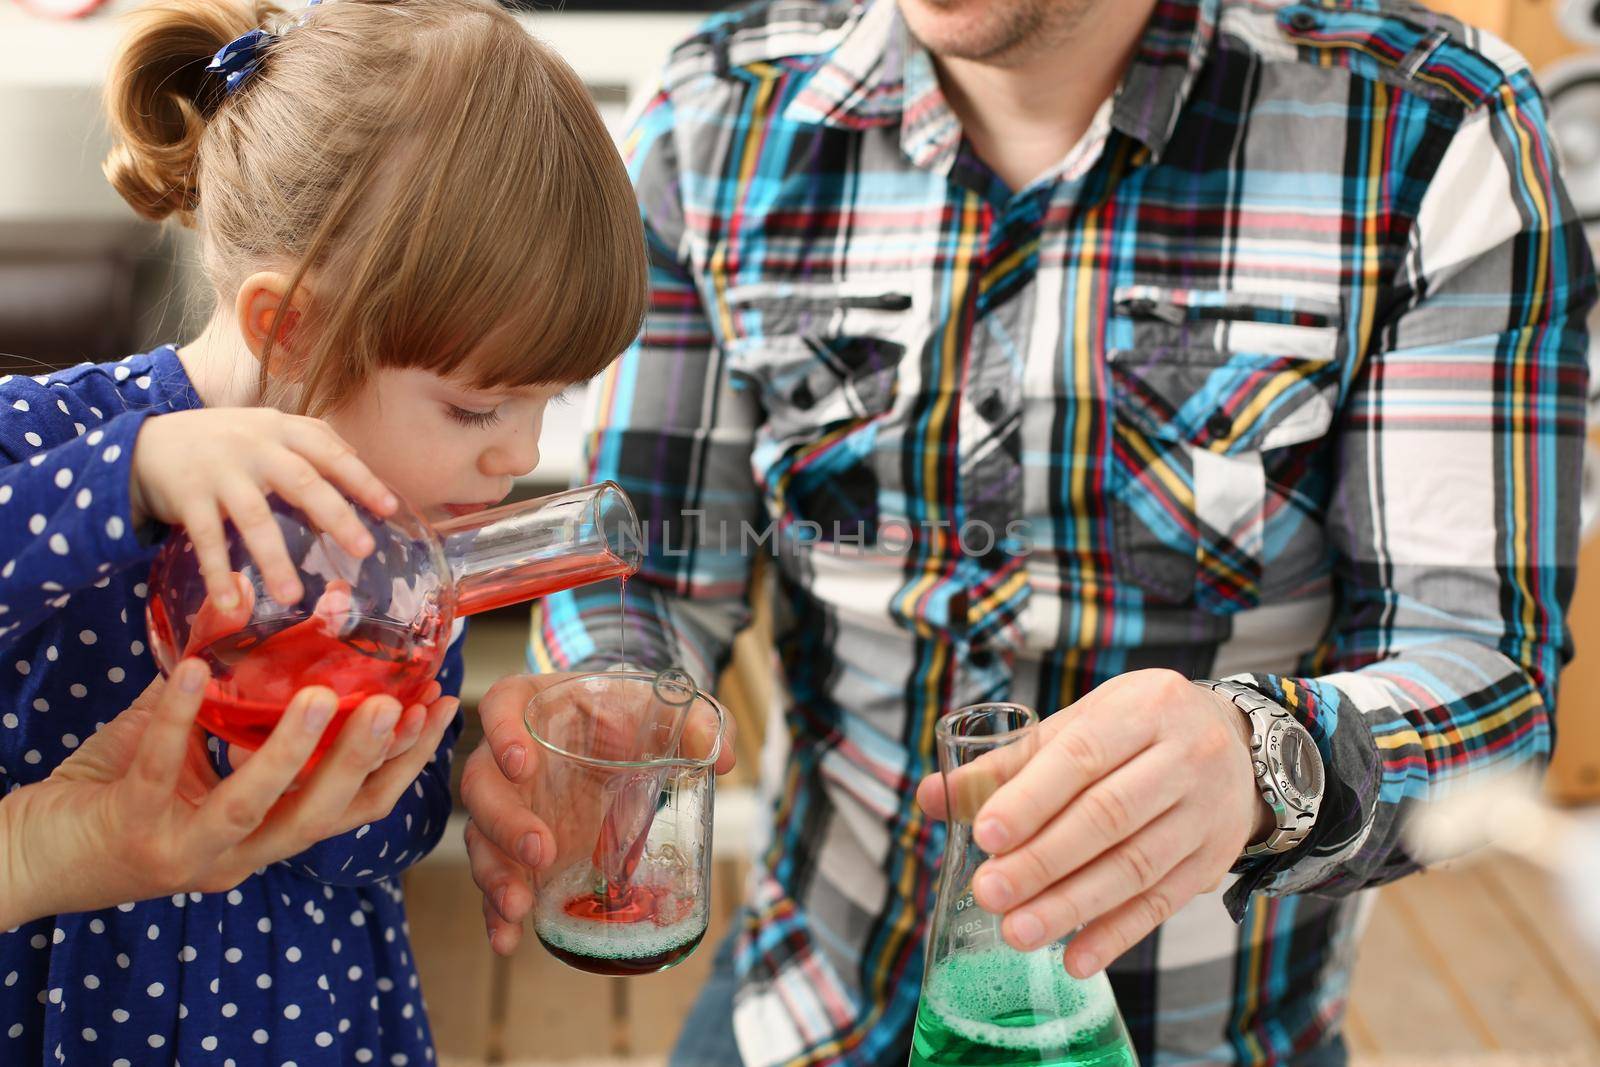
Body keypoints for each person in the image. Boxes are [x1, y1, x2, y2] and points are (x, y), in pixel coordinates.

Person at [460, 0, 1596, 1064]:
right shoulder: (714, 113)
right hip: (812, 998)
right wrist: (608, 691)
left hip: (1199, 1033)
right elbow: (645, 565)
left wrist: (1261, 761)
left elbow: (1491, 682)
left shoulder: (1428, 126)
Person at [0, 0, 646, 1061]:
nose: (519, 455)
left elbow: (386, 836)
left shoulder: (402, 551)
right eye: (476, 408)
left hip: (306, 1017)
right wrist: (132, 471)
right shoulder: (56, 435)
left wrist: (370, 786)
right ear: (284, 326)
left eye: (550, 403)